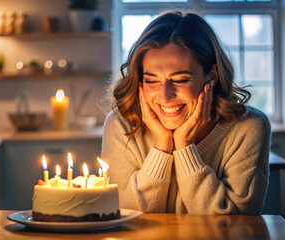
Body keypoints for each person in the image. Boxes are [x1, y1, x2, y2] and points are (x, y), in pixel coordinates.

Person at [102, 11, 270, 215]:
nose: (164, 96)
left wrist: (185, 146)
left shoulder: (249, 126)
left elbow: (232, 223)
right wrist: (162, 147)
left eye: (180, 80)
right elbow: (123, 216)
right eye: (152, 80)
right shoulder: (122, 124)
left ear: (212, 76)